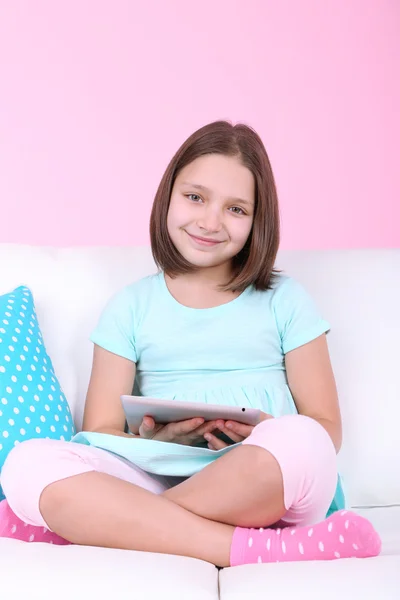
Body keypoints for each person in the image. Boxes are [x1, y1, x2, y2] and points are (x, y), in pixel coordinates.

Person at [0, 121, 381, 566]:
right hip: (156, 475)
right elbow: (99, 432)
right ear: (168, 196)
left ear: (258, 220)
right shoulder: (130, 306)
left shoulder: (285, 299)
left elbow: (325, 427)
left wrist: (264, 433)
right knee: (27, 462)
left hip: (265, 480)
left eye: (236, 209)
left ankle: (105, 524)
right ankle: (260, 549)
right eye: (195, 197)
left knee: (303, 439)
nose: (210, 221)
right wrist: (159, 436)